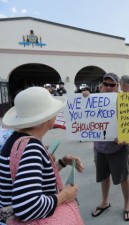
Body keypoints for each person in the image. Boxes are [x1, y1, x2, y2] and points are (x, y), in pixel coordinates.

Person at [0, 87, 84, 223]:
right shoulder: (31, 148)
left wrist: (61, 163)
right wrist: (65, 195)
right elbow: (27, 207)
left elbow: (31, 179)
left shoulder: (16, 140)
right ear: (47, 119)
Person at [91, 73, 129, 221]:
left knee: (123, 177)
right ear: (102, 84)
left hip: (119, 148)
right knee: (103, 176)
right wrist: (84, 96)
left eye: (112, 84)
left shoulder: (125, 101)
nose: (108, 87)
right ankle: (104, 202)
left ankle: (127, 204)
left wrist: (126, 138)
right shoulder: (93, 99)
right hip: (100, 148)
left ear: (118, 86)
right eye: (106, 84)